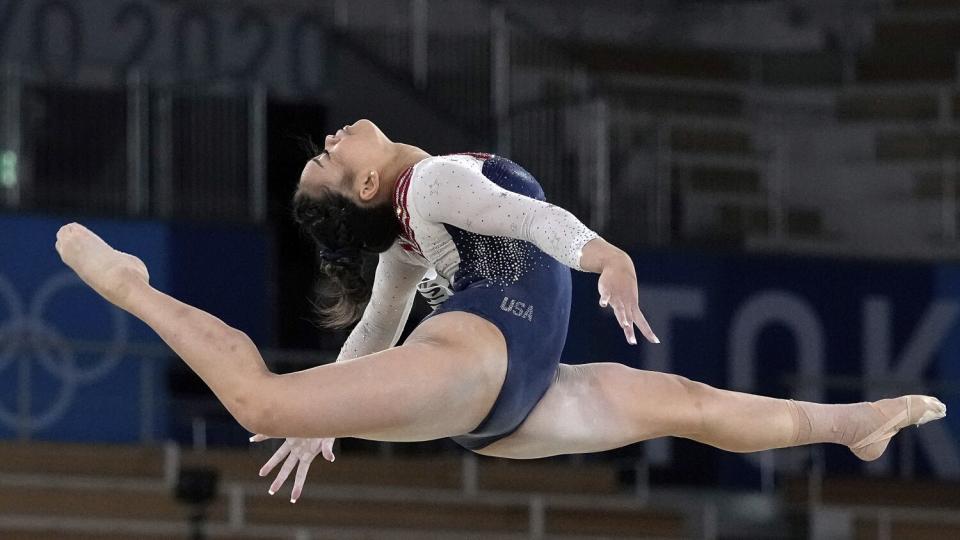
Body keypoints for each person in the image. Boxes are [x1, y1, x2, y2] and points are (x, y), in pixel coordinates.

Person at [56, 119, 946, 504]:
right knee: (260, 402)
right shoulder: (432, 181)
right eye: (327, 161)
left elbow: (375, 327)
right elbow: (524, 221)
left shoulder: (413, 228)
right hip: (487, 360)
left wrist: (332, 405)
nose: (329, 141)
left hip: (518, 397)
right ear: (369, 184)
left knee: (693, 403)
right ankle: (133, 287)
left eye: (320, 153)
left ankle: (853, 425)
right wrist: (604, 254)